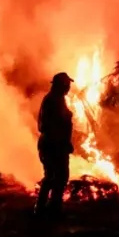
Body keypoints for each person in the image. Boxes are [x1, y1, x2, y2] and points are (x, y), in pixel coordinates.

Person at [35, 72, 74, 216]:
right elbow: (49, 125)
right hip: (53, 145)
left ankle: (50, 207)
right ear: (62, 85)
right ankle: (46, 209)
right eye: (67, 84)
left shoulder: (57, 99)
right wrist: (61, 142)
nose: (69, 87)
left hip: (56, 144)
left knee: (57, 177)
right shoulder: (52, 100)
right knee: (54, 177)